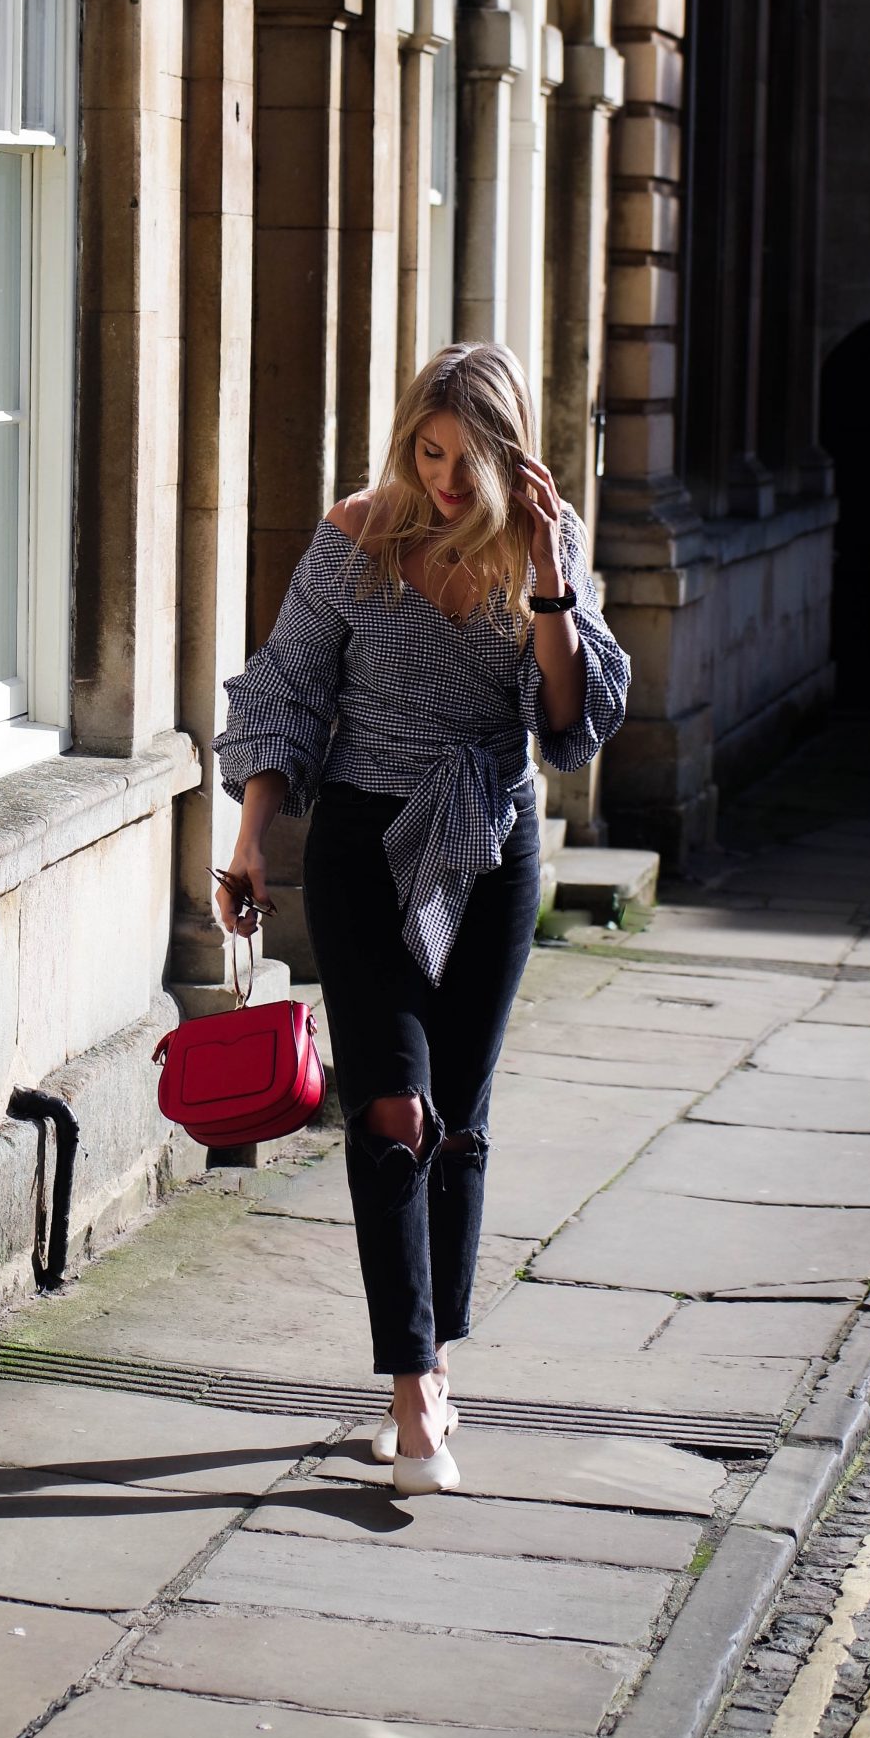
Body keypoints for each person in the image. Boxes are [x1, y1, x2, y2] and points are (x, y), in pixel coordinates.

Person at [212, 342, 630, 1495]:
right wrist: (250, 837)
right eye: (429, 451)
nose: (447, 478)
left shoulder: (544, 541)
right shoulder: (356, 537)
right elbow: (285, 687)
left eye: (467, 455)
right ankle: (410, 1388)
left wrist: (547, 572)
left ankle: (434, 1358)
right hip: (360, 848)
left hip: (491, 845)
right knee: (389, 1105)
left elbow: (568, 719)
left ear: (505, 450)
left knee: (458, 1117)